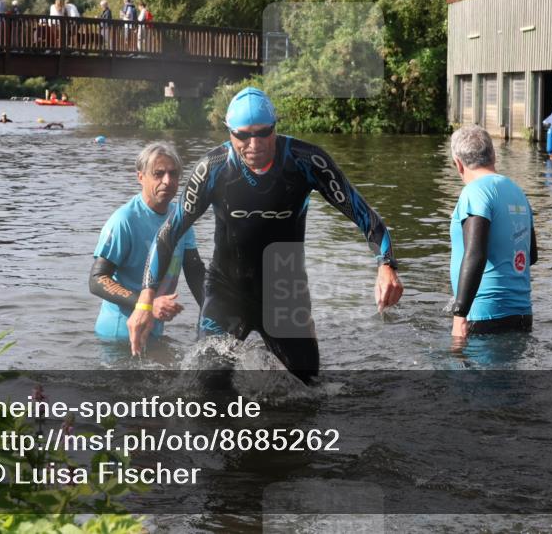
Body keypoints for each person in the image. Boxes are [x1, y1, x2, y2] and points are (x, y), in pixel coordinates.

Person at [130, 87, 404, 382]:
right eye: (243, 136)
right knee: (206, 388)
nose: (254, 144)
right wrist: (145, 301)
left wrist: (386, 264)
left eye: (263, 133)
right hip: (227, 291)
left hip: (285, 292)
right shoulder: (213, 168)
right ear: (229, 133)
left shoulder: (305, 161)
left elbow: (365, 215)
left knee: (308, 388)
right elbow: (168, 233)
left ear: (275, 127)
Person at [90, 142, 205, 341]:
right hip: (119, 336)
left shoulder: (181, 219)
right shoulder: (124, 220)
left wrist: (216, 312)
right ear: (141, 177)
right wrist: (147, 304)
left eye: (173, 174)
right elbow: (98, 279)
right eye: (158, 174)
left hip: (154, 332)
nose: (167, 181)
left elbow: (195, 272)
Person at [446, 126, 537, 348]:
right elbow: (531, 255)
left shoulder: (474, 192)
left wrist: (459, 314)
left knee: (468, 381)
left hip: (484, 315)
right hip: (522, 314)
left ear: (458, 163)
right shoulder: (517, 192)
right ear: (493, 155)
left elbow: (475, 254)